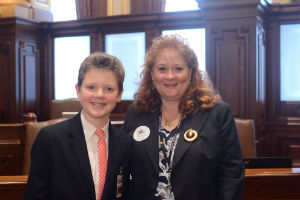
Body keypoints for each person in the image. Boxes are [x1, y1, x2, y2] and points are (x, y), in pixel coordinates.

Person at [122, 35, 244, 200]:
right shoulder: (136, 113)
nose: (170, 76)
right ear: (152, 74)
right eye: (162, 69)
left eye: (178, 69)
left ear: (191, 72)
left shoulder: (217, 114)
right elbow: (123, 167)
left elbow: (232, 175)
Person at [24, 52, 132, 200]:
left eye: (109, 89)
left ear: (119, 94)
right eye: (91, 87)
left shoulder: (125, 143)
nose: (99, 94)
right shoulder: (50, 139)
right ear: (78, 90)